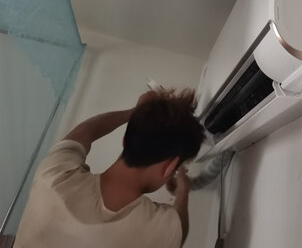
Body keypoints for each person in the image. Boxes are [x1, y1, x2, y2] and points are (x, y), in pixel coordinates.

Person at [14, 88, 205, 248]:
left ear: (124, 142)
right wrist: (183, 190)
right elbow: (180, 226)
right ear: (169, 166)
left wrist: (135, 111)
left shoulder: (53, 174)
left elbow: (86, 130)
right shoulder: (158, 231)